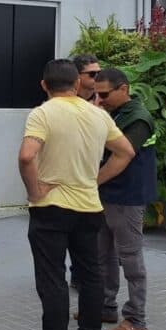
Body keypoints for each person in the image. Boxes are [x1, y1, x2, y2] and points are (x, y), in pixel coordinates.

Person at [16, 59, 135, 330]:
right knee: (91, 275)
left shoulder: (43, 113)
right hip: (89, 208)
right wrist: (94, 179)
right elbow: (125, 152)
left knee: (52, 279)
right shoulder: (98, 115)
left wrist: (34, 191)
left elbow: (27, 155)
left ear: (44, 85)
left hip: (51, 209)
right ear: (78, 84)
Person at [95, 68, 156, 330]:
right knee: (103, 254)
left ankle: (135, 318)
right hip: (108, 194)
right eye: (97, 94)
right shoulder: (113, 112)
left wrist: (91, 182)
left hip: (127, 196)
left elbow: (122, 156)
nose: (100, 98)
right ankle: (107, 307)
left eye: (105, 94)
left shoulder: (138, 118)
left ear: (124, 89)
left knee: (129, 258)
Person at [67, 53, 102, 290]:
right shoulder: (63, 103)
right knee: (71, 229)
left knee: (93, 233)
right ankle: (77, 272)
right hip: (70, 174)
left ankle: (88, 275)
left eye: (99, 72)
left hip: (97, 175)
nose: (98, 77)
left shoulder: (105, 100)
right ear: (77, 78)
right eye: (92, 74)